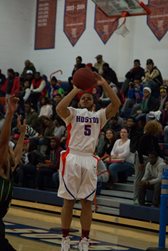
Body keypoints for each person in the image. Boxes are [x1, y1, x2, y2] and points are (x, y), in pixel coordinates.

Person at [56, 75, 121, 251]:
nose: (85, 99)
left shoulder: (99, 116)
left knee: (87, 202)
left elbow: (116, 104)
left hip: (89, 159)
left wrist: (104, 84)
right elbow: (59, 107)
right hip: (72, 157)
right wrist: (76, 88)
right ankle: (65, 238)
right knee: (68, 201)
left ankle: (84, 239)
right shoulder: (73, 113)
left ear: (93, 102)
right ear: (79, 102)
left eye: (89, 97)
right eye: (83, 98)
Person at [0, 96, 26, 251]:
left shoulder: (9, 168)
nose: (10, 150)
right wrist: (9, 114)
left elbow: (16, 156)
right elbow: (3, 143)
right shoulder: (1, 166)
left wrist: (22, 134)